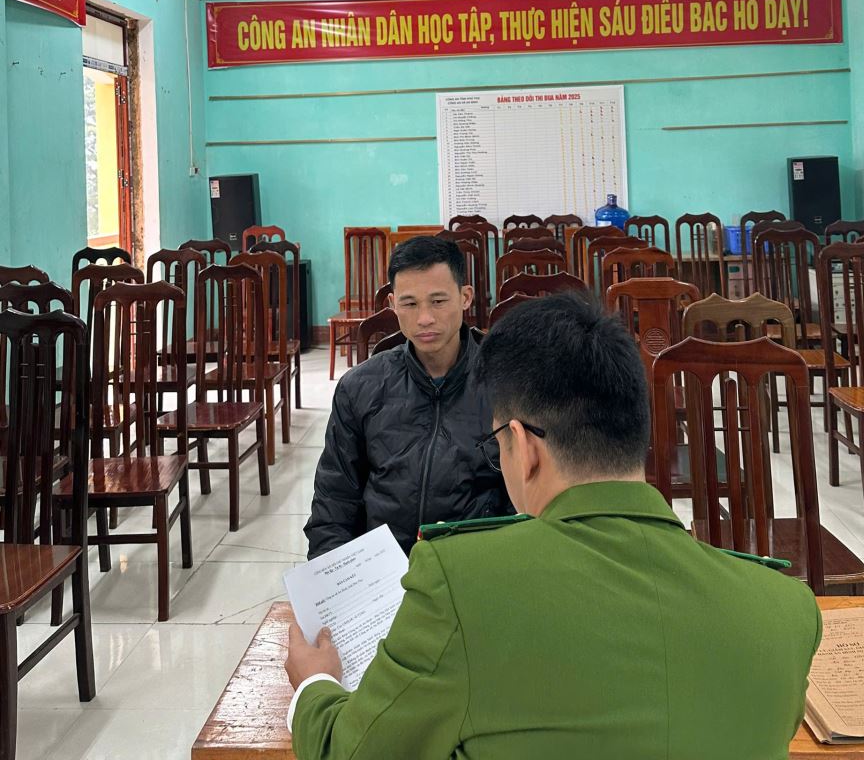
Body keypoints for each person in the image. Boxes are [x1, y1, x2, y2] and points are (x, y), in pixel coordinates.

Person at [287, 293, 822, 760]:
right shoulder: (786, 609)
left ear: (523, 447)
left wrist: (314, 684)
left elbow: (352, 751)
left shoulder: (461, 586)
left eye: (497, 443)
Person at [303, 235, 510, 559]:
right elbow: (334, 502)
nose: (424, 318)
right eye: (410, 304)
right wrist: (333, 577)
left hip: (474, 567)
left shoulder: (507, 385)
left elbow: (526, 503)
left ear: (465, 297)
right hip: (384, 571)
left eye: (438, 301)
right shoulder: (360, 387)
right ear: (392, 304)